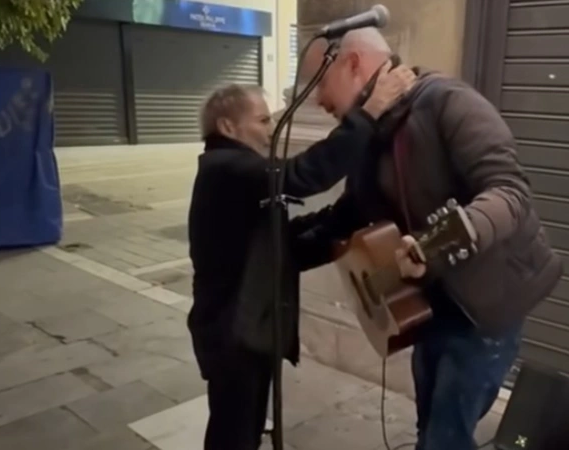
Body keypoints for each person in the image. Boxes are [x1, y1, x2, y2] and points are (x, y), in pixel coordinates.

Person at [291, 27, 563, 450]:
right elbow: (347, 215)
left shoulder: (449, 102)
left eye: (318, 83)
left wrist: (445, 237)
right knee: (429, 430)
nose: (316, 101)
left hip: (487, 306)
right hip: (433, 304)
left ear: (353, 64)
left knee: (444, 437)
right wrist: (276, 250)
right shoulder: (369, 130)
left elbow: (510, 192)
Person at [187, 77, 415, 450]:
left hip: (248, 329)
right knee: (233, 435)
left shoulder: (236, 173)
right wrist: (368, 113)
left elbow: (282, 245)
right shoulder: (225, 168)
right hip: (233, 333)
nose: (271, 130)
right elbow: (301, 175)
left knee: (244, 430)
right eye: (263, 120)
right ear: (227, 126)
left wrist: (345, 216)